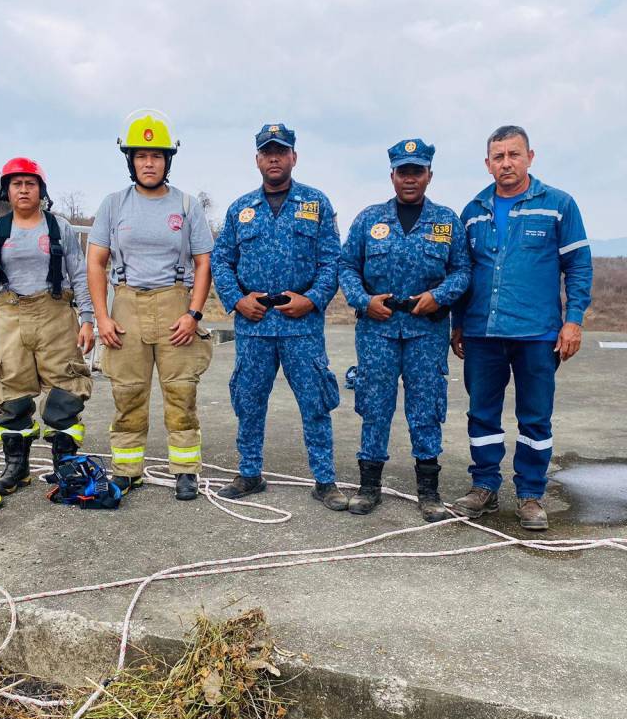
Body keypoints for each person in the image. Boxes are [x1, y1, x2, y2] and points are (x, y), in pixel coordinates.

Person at [451, 126, 592, 530]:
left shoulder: (558, 205)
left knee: (535, 418)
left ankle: (531, 495)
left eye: (514, 154)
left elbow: (578, 267)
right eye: (498, 157)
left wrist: (573, 321)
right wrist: (459, 323)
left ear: (530, 156)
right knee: (481, 415)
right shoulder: (473, 210)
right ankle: (484, 487)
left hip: (537, 334)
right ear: (487, 163)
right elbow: (464, 272)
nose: (506, 163)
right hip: (482, 334)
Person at [211, 123, 347, 511]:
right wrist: (237, 300)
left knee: (315, 403)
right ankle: (249, 473)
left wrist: (313, 300)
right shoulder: (241, 209)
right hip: (254, 325)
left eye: (281, 151)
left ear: (293, 157)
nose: (274, 157)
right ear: (257, 159)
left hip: (300, 325)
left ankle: (325, 480)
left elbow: (331, 261)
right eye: (267, 152)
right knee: (249, 402)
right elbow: (222, 260)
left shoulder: (315, 203)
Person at [339, 139, 471, 521]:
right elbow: (347, 266)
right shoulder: (368, 220)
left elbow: (463, 271)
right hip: (377, 332)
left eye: (417, 171)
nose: (409, 178)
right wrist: (365, 302)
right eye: (403, 171)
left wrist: (439, 296)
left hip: (426, 332)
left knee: (426, 409)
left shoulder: (447, 222)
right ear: (392, 175)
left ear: (429, 174)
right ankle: (369, 487)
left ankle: (428, 492)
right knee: (374, 407)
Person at [87, 109, 214, 501]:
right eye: (141, 156)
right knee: (128, 392)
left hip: (174, 302)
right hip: (126, 305)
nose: (148, 163)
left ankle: (185, 470)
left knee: (180, 391)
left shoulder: (188, 206)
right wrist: (102, 318)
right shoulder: (113, 204)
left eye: (156, 156)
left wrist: (193, 314)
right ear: (130, 160)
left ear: (167, 161)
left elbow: (203, 262)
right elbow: (96, 261)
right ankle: (127, 470)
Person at [0, 157, 94, 495]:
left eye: (30, 183)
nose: (24, 189)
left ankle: (65, 465)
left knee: (65, 392)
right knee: (11, 393)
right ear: (6, 191)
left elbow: (79, 274)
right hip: (10, 315)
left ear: (41, 190)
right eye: (17, 184)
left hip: (55, 314)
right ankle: (16, 467)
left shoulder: (59, 227)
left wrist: (88, 320)